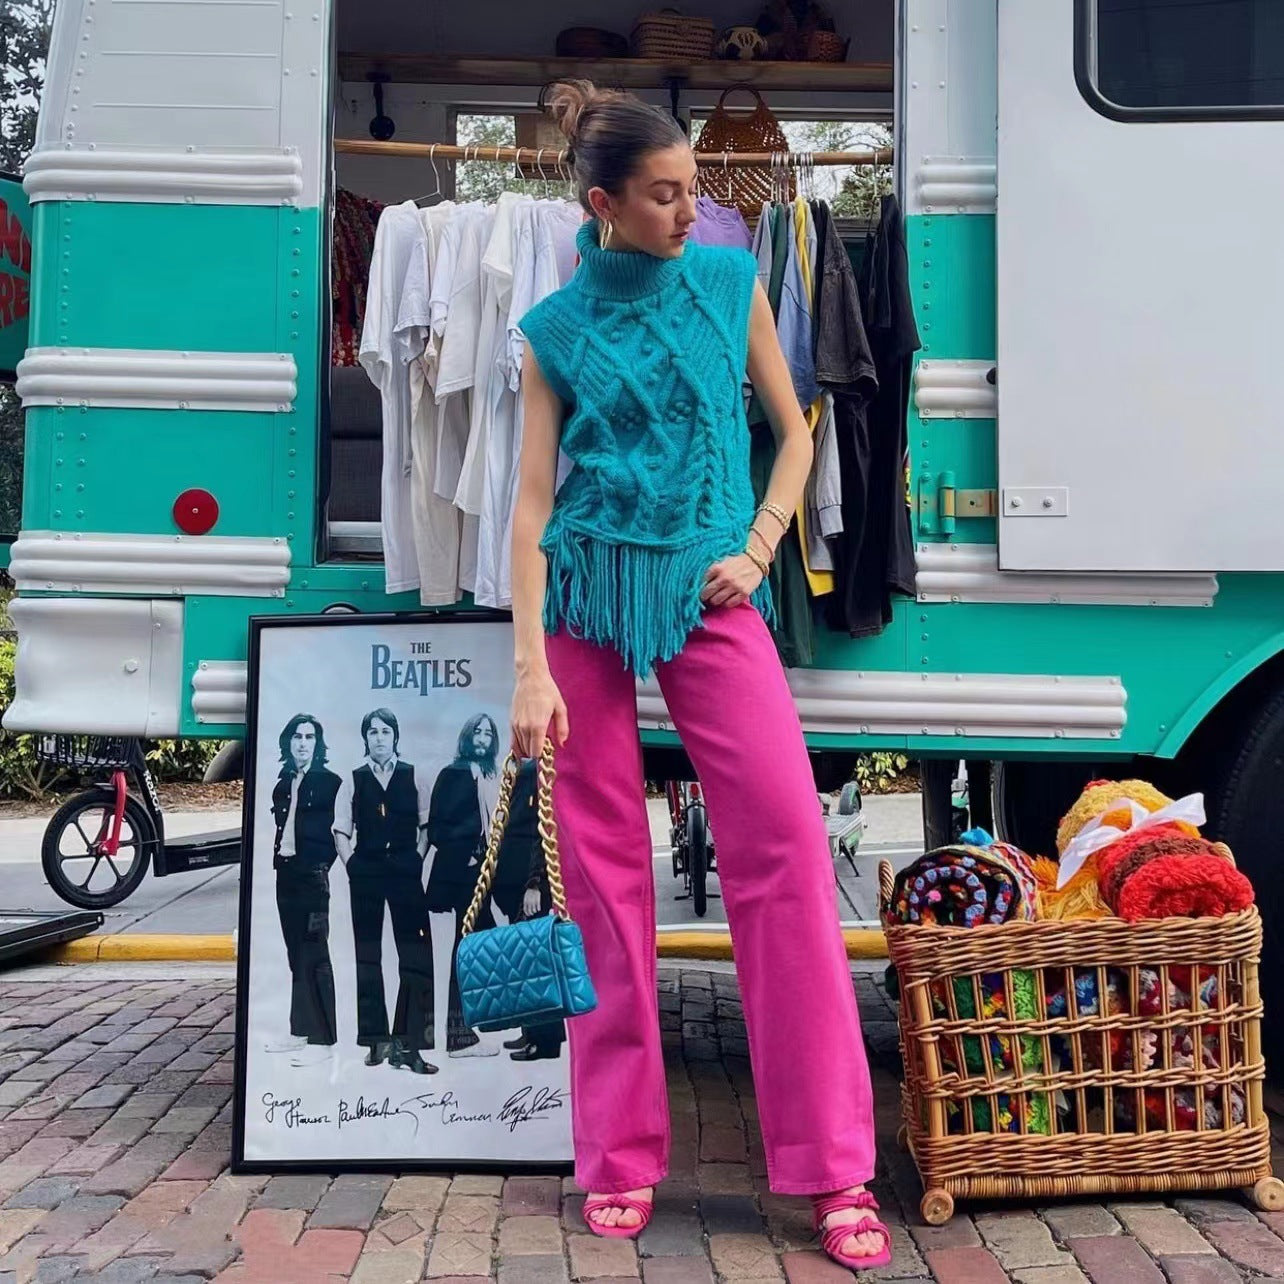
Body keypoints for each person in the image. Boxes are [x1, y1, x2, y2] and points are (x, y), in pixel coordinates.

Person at [507, 80, 889, 1270]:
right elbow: (529, 505)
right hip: (582, 596)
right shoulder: (554, 330)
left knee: (782, 851)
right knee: (604, 880)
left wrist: (762, 545)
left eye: (693, 192)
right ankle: (617, 1158)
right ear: (602, 203)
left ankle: (833, 1170)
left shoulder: (734, 284)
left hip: (713, 591)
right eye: (665, 196)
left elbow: (797, 429)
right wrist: (528, 670)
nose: (690, 212)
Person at [332, 708, 436, 1075]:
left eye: (385, 731)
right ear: (365, 739)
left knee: (416, 955)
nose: (379, 737)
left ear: (395, 737)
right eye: (372, 732)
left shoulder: (414, 775)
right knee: (368, 955)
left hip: (405, 871)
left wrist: (416, 859)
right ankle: (376, 1040)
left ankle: (409, 1045)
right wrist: (352, 865)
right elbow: (341, 829)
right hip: (368, 872)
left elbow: (427, 824)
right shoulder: (354, 779)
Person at [424, 712, 503, 1057]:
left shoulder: (491, 775)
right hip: (462, 873)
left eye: (488, 732)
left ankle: (470, 1029)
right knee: (469, 948)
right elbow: (438, 829)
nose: (483, 737)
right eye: (478, 731)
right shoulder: (452, 774)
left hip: (483, 873)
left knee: (477, 946)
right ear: (467, 736)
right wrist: (470, 853)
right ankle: (460, 1036)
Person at [266, 713, 341, 1068]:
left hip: (313, 876)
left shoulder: (329, 782)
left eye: (310, 737)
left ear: (317, 743)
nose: (302, 743)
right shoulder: (283, 782)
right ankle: (299, 1031)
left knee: (316, 954)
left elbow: (340, 830)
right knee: (295, 953)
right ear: (288, 742)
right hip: (287, 873)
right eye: (297, 736)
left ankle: (323, 1039)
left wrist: (322, 865)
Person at [490, 758, 566, 1062]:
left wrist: (535, 882)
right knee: (525, 963)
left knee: (535, 965)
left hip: (529, 885)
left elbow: (543, 831)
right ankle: (532, 1032)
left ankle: (545, 1042)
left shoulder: (538, 770)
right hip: (515, 883)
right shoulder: (520, 770)